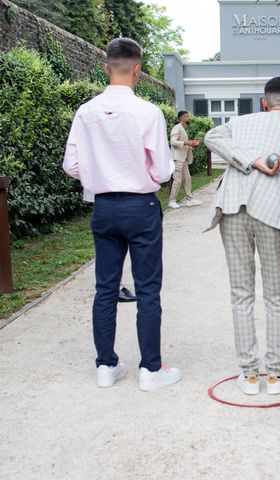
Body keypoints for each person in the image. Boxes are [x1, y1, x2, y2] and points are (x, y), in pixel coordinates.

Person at [63, 38, 181, 391]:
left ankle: (106, 365)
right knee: (147, 289)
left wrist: (100, 174)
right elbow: (162, 171)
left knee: (105, 288)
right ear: (137, 70)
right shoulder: (148, 112)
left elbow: (71, 165)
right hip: (140, 207)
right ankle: (150, 370)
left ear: (105, 68)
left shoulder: (85, 112)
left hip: (104, 206)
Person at [204, 77, 280, 396]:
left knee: (241, 293)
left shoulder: (239, 122)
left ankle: (250, 375)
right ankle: (277, 374)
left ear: (264, 102)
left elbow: (212, 135)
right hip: (272, 212)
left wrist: (249, 160)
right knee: (275, 294)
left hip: (231, 207)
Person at [168, 110, 202, 209]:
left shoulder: (182, 128)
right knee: (177, 180)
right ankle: (171, 201)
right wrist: (188, 143)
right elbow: (173, 141)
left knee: (188, 178)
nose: (188, 118)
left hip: (184, 159)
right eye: (187, 117)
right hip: (178, 158)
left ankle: (189, 199)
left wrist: (193, 144)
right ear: (181, 118)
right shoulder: (177, 127)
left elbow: (185, 144)